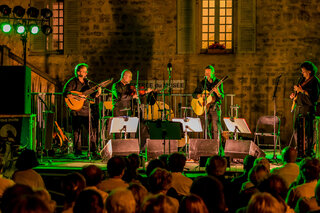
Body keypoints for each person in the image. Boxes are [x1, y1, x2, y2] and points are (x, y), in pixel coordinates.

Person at [63, 63, 101, 156]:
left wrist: (97, 93)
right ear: (78, 72)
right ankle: (77, 151)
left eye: (86, 71)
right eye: (83, 71)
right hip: (76, 110)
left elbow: (91, 95)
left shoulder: (87, 83)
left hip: (86, 110)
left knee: (91, 131)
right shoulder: (72, 82)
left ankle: (93, 150)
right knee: (77, 131)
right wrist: (78, 97)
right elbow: (66, 93)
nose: (85, 73)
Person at [290, 61, 320, 157]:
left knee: (307, 131)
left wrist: (301, 91)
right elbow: (298, 92)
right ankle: (299, 150)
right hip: (299, 108)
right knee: (296, 130)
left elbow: (314, 97)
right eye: (302, 71)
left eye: (304, 71)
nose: (302, 73)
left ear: (309, 71)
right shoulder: (301, 80)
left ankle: (308, 151)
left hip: (308, 109)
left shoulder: (315, 81)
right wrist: (294, 95)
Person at [192, 65, 224, 142]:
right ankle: (209, 146)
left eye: (208, 73)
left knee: (216, 129)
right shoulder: (202, 83)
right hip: (204, 108)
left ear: (213, 73)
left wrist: (217, 92)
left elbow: (221, 97)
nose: (207, 75)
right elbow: (194, 94)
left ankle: (217, 147)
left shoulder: (218, 82)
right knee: (206, 129)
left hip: (215, 108)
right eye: (206, 73)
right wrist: (200, 95)